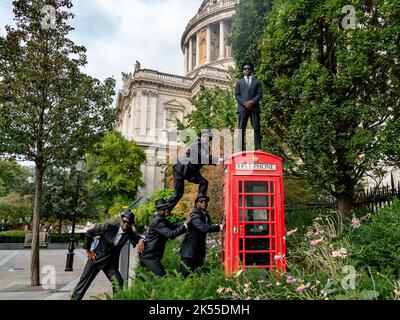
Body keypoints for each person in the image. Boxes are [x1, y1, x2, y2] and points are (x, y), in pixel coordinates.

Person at [71, 210, 144, 300]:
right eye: (124, 221)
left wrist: (140, 240)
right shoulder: (108, 227)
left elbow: (136, 237)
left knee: (118, 282)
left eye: (128, 223)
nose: (126, 224)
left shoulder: (129, 232)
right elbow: (90, 232)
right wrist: (88, 251)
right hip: (96, 259)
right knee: (83, 284)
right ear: (121, 220)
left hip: (110, 263)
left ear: (131, 224)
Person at [167, 130, 221, 211]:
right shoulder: (197, 144)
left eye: (207, 137)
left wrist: (217, 161)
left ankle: (200, 201)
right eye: (204, 136)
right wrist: (218, 160)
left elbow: (204, 159)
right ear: (201, 137)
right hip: (182, 168)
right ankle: (164, 209)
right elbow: (203, 157)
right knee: (178, 194)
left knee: (203, 182)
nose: (205, 138)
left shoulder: (206, 147)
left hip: (191, 171)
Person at [139, 199, 191, 277]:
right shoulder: (158, 221)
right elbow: (171, 234)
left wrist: (186, 222)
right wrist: (186, 225)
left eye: (167, 208)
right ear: (158, 210)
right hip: (149, 256)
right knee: (162, 277)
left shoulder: (162, 219)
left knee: (147, 278)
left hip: (152, 255)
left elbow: (173, 226)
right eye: (163, 209)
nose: (166, 210)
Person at [179, 195, 222, 277]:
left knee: (197, 275)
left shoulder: (206, 215)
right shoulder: (194, 214)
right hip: (189, 251)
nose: (204, 203)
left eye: (206, 201)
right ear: (196, 204)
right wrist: (220, 227)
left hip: (199, 250)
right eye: (201, 201)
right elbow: (203, 228)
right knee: (185, 276)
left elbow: (209, 226)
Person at [235, 62, 263, 151]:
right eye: (245, 69)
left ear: (251, 70)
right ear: (242, 71)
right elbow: (237, 95)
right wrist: (245, 103)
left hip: (254, 108)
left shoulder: (257, 82)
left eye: (248, 69)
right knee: (241, 128)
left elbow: (260, 94)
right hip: (242, 109)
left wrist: (252, 102)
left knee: (256, 128)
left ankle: (258, 147)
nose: (246, 70)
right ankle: (240, 148)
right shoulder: (239, 82)